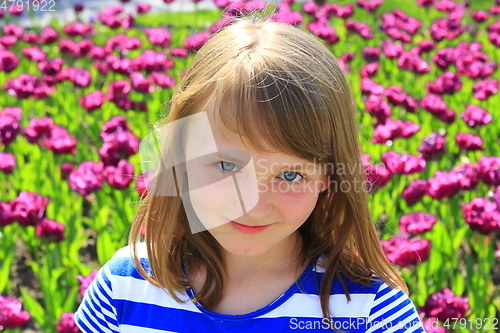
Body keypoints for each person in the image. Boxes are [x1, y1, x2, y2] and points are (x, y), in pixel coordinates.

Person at [75, 17, 425, 333]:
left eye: (290, 175)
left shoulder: (370, 311)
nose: (253, 207)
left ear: (328, 178)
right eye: (226, 166)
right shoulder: (124, 288)